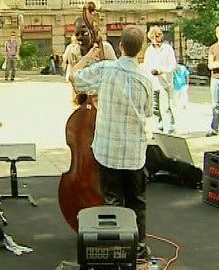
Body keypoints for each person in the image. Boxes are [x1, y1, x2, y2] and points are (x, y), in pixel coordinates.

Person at [70, 26, 153, 260]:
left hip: (107, 151)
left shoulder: (105, 70)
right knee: (137, 202)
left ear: (120, 47)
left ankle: (116, 251)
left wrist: (87, 56)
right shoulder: (146, 78)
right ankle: (139, 251)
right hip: (134, 153)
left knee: (112, 201)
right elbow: (147, 112)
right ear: (141, 49)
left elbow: (74, 76)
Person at [143, 26, 177, 134]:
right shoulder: (149, 51)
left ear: (161, 36)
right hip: (153, 83)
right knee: (155, 108)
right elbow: (147, 65)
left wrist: (162, 70)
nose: (155, 39)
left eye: (157, 36)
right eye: (153, 37)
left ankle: (170, 128)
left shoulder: (167, 49)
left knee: (166, 107)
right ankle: (159, 128)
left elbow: (173, 65)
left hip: (164, 82)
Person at [206, 24, 219, 137]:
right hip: (216, 80)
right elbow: (210, 65)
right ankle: (214, 128)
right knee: (215, 105)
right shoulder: (213, 48)